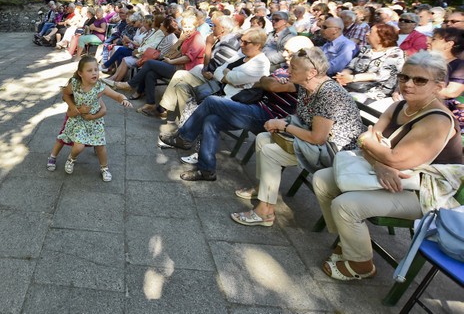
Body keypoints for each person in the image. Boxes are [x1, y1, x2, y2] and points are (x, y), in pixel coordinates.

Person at [312, 51, 463, 280]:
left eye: (420, 80)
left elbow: (394, 158)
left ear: (438, 86)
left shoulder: (437, 119)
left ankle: (361, 265)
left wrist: (376, 149)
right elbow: (364, 140)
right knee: (322, 180)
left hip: (426, 193)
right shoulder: (400, 106)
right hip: (393, 178)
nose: (408, 84)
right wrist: (377, 161)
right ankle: (349, 241)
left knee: (346, 205)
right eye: (404, 77)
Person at [231, 47, 363, 226]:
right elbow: (304, 120)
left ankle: (265, 212)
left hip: (336, 154)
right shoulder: (305, 86)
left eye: (294, 68)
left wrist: (284, 126)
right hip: (318, 143)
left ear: (312, 73)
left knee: (270, 152)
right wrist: (283, 123)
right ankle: (264, 189)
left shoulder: (328, 93)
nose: (288, 70)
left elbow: (318, 138)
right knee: (263, 138)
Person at [158, 28, 271, 181]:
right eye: (241, 40)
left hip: (239, 104)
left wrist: (227, 76)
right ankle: (207, 170)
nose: (241, 44)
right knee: (211, 121)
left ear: (258, 45)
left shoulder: (261, 63)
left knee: (210, 102)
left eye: (245, 42)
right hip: (226, 97)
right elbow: (219, 72)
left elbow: (232, 77)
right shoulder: (242, 56)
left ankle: (184, 137)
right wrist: (227, 76)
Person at [46, 56, 132, 181]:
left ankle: (104, 168)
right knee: (76, 144)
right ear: (80, 73)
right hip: (78, 119)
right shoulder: (75, 84)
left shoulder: (100, 87)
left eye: (96, 70)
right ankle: (71, 158)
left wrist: (123, 99)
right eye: (90, 70)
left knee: (101, 145)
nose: (94, 73)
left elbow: (117, 95)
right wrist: (73, 107)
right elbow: (65, 93)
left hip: (94, 121)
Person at [334, 24, 404, 104]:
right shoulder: (366, 49)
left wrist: (353, 78)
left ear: (381, 37)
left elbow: (380, 75)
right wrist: (342, 76)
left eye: (370, 32)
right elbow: (351, 66)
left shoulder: (396, 53)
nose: (366, 34)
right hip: (352, 87)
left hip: (375, 93)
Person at [428, 27, 464, 126]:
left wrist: (419, 90)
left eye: (434, 39)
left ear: (448, 44)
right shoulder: (426, 62)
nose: (429, 41)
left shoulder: (459, 66)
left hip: (441, 112)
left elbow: (451, 92)